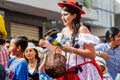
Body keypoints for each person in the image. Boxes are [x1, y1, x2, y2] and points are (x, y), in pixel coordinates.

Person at [39, 0, 103, 80]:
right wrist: (46, 44)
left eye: (65, 15)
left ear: (74, 15)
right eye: (62, 15)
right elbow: (60, 51)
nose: (62, 18)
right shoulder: (63, 30)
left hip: (81, 73)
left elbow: (92, 54)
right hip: (65, 72)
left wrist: (71, 49)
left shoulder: (82, 29)